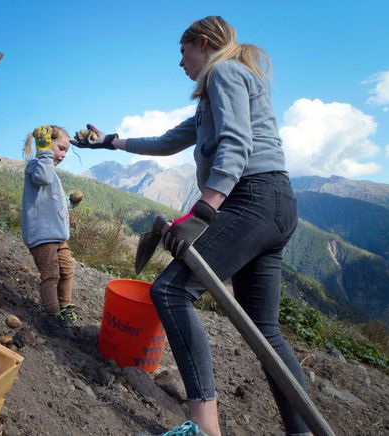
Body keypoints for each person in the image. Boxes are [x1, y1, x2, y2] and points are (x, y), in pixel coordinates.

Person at [73, 16, 311, 436]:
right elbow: (167, 141)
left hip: (252, 198)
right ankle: (302, 429)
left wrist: (204, 211)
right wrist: (110, 141)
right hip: (277, 203)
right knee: (264, 329)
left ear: (202, 43)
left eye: (183, 53)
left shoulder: (224, 72)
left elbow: (238, 144)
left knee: (170, 290)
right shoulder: (212, 100)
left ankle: (203, 425)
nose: (180, 63)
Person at [21, 125, 79, 338]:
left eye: (66, 151)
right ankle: (52, 317)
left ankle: (64, 307)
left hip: (56, 235)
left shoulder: (48, 169)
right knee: (51, 275)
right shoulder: (37, 165)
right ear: (46, 143)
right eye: (61, 148)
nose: (63, 155)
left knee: (67, 269)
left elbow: (50, 201)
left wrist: (69, 204)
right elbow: (43, 178)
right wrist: (44, 150)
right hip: (42, 236)